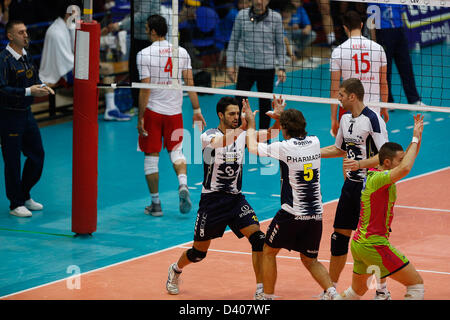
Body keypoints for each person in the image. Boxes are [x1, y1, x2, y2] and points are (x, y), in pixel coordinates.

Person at [165, 96, 282, 300]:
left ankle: (261, 289)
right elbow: (221, 142)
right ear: (221, 115)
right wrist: (246, 127)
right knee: (198, 253)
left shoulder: (243, 135)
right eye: (232, 114)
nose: (236, 117)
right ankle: (175, 269)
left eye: (238, 113)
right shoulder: (208, 136)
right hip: (212, 202)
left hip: (236, 200)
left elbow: (272, 133)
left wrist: (279, 118)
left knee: (258, 239)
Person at [244, 98, 339, 300]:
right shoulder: (315, 141)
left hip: (291, 213)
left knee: (268, 251)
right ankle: (332, 294)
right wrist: (282, 117)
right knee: (310, 259)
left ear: (285, 129)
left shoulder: (283, 147)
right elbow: (295, 132)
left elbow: (252, 147)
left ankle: (267, 297)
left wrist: (251, 124)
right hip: (315, 214)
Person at [336, 115, 425, 300]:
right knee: (416, 285)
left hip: (360, 244)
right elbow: (406, 168)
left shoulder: (376, 172)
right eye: (398, 160)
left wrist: (416, 136)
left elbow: (408, 160)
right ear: (387, 163)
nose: (401, 162)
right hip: (373, 244)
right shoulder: (379, 180)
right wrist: (415, 139)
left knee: (355, 292)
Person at [320, 78, 391, 299]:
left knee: (373, 240)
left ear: (352, 96)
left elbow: (385, 155)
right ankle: (330, 289)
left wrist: (360, 164)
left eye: (341, 95)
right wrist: (311, 152)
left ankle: (382, 290)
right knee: (339, 237)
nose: (338, 98)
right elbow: (339, 149)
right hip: (350, 186)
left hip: (370, 186)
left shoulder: (373, 119)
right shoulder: (344, 119)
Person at [137, 14, 206, 217]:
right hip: (175, 111)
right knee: (177, 152)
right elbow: (190, 83)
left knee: (151, 157)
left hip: (153, 111)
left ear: (153, 30)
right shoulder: (181, 52)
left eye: (147, 27)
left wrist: (140, 117)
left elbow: (145, 89)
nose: (145, 31)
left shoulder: (144, 54)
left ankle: (156, 204)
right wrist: (196, 110)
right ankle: (183, 184)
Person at [39, 0, 130, 121]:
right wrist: (89, 65)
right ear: (68, 14)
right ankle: (110, 108)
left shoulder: (67, 26)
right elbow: (65, 62)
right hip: (62, 73)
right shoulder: (56, 33)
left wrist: (101, 34)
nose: (78, 17)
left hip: (70, 66)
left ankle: (110, 108)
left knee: (106, 69)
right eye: (76, 13)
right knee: (104, 70)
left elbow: (81, 43)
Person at [0, 20, 55, 217]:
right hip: (9, 116)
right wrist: (27, 91)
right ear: (10, 36)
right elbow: (2, 90)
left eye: (26, 31)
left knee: (37, 155)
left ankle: (24, 194)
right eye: (21, 32)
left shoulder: (26, 56)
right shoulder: (4, 60)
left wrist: (41, 86)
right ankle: (15, 204)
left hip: (26, 114)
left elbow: (33, 79)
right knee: (13, 161)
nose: (26, 35)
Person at [226, 0, 286, 130]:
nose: (259, 1)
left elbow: (281, 45)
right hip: (245, 67)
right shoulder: (241, 15)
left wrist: (282, 67)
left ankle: (263, 138)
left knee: (265, 106)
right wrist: (230, 65)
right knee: (239, 104)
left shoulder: (276, 18)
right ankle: (240, 136)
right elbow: (233, 41)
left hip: (267, 68)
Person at [330, 10, 389, 137]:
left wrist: (333, 119)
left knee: (349, 153)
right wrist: (384, 107)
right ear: (362, 25)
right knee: (374, 151)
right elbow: (383, 83)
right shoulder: (378, 49)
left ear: (345, 28)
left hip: (348, 112)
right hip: (373, 110)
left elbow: (335, 90)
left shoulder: (338, 52)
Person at [108, 0, 173, 113]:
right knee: (135, 72)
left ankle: (150, 104)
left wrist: (120, 25)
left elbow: (142, 14)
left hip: (147, 40)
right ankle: (138, 105)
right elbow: (135, 12)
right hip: (137, 38)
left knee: (148, 75)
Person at [369, 3, 425, 106]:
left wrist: (403, 34)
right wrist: (374, 42)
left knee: (406, 67)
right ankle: (387, 101)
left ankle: (414, 100)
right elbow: (371, 21)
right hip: (383, 33)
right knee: (386, 70)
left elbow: (403, 16)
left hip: (399, 32)